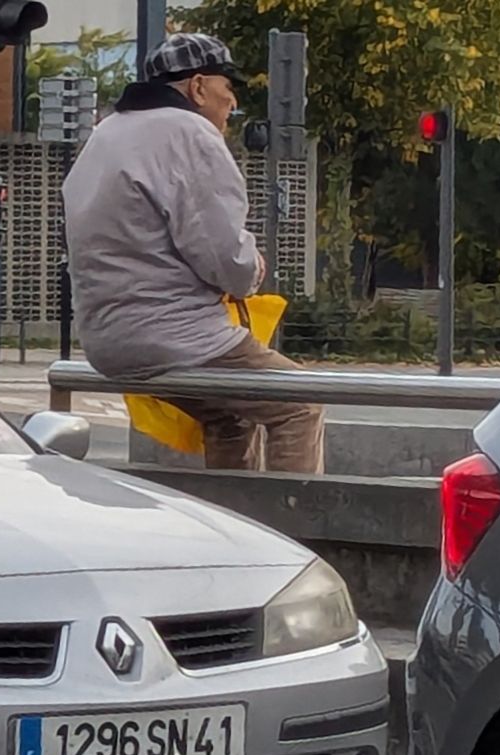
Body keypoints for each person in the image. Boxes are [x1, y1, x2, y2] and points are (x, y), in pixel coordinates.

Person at [62, 32, 324, 474]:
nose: (232, 102)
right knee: (300, 405)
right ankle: (288, 534)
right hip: (177, 336)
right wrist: (253, 267)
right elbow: (224, 260)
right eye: (228, 87)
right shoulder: (190, 134)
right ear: (198, 86)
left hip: (105, 339)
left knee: (228, 414)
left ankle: (232, 526)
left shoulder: (105, 134)